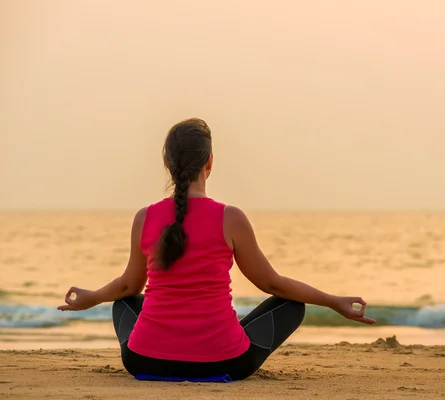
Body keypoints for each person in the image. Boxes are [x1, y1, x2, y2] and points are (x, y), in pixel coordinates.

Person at [57, 118, 375, 381]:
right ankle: (218, 341)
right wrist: (333, 302)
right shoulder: (230, 218)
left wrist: (92, 297)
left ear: (167, 163)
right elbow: (272, 284)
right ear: (209, 162)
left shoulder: (145, 217)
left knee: (124, 301)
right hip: (224, 363)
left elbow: (128, 285)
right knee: (291, 305)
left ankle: (162, 347)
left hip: (144, 361)